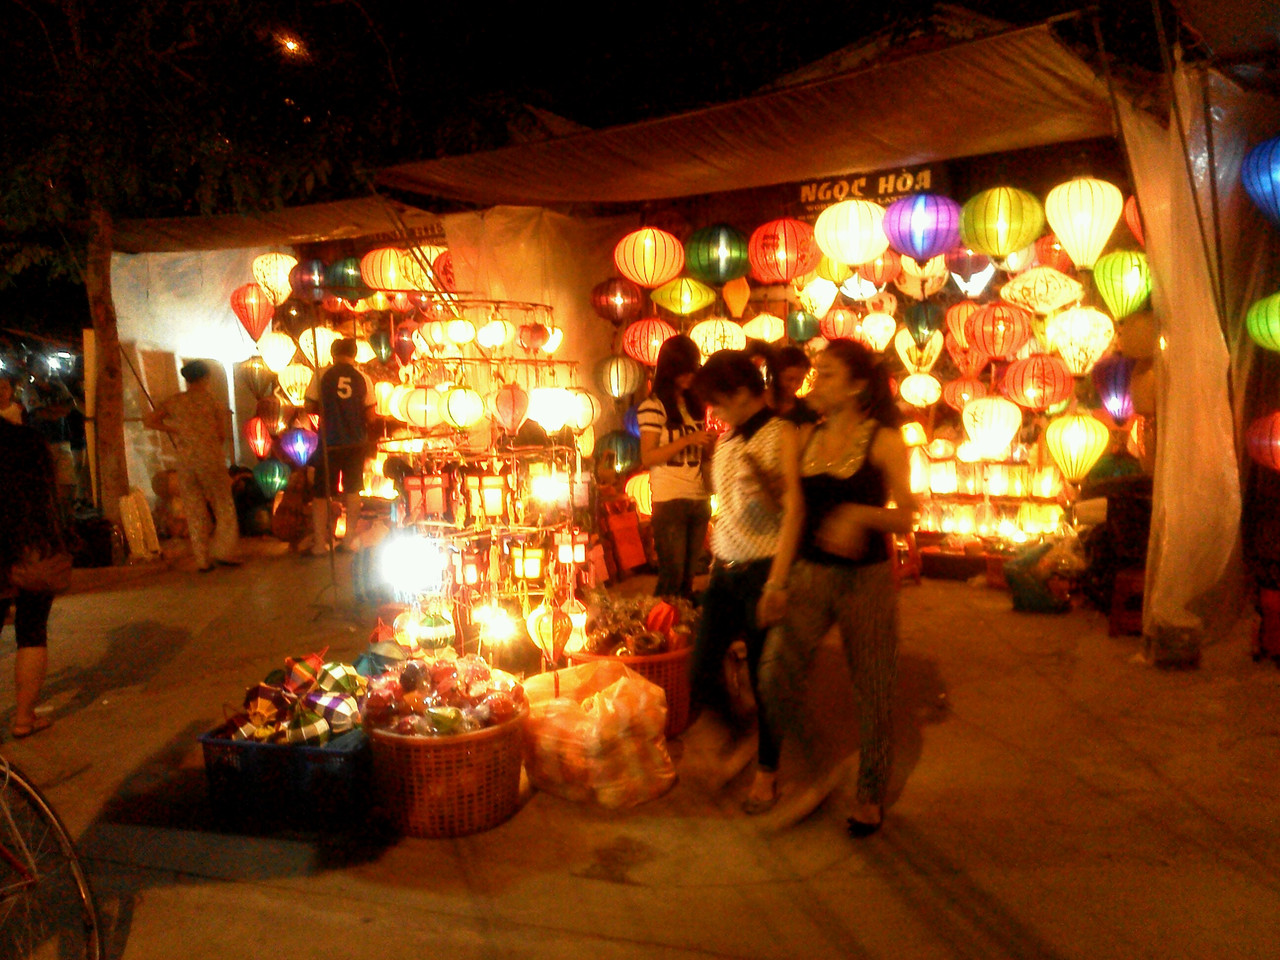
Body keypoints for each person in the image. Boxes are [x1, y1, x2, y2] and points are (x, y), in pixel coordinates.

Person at [757, 339, 918, 837]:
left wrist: (859, 515)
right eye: (817, 372)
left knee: (873, 687)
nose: (815, 382)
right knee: (773, 673)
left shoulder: (885, 441)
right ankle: (819, 764)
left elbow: (907, 516)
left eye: (827, 374)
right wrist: (775, 581)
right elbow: (794, 515)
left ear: (856, 386)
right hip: (808, 573)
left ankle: (869, 794)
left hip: (866, 581)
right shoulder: (802, 437)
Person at [689, 351, 803, 814]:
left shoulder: (782, 433)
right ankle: (743, 731)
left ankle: (767, 774)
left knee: (765, 677)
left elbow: (794, 510)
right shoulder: (728, 439)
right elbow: (726, 506)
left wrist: (777, 583)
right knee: (699, 669)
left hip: (763, 568)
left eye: (717, 402)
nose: (714, 412)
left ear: (740, 393)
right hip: (725, 568)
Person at [0, 420, 65, 738]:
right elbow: (53, 494)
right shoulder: (28, 441)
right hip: (32, 546)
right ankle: (24, 719)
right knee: (32, 633)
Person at [144, 360, 241, 571]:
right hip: (210, 459)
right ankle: (223, 551)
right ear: (206, 378)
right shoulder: (212, 401)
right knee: (223, 504)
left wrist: (174, 429)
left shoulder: (175, 401)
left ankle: (202, 559)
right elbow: (221, 434)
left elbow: (149, 421)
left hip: (186, 460)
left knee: (194, 508)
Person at [637, 335, 712, 600]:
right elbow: (648, 457)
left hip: (699, 497)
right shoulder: (653, 406)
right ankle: (660, 622)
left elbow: (701, 452)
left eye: (693, 369)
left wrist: (708, 444)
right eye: (684, 370)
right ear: (670, 370)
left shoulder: (695, 405)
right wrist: (688, 440)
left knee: (688, 579)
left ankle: (682, 623)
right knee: (672, 577)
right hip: (669, 500)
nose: (690, 376)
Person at [304, 338, 376, 555]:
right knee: (353, 490)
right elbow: (371, 416)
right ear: (354, 355)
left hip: (329, 443)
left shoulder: (321, 375)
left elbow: (309, 405)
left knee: (321, 493)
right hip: (355, 443)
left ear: (333, 354)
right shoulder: (363, 378)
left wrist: (329, 409)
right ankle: (349, 540)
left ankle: (320, 544)